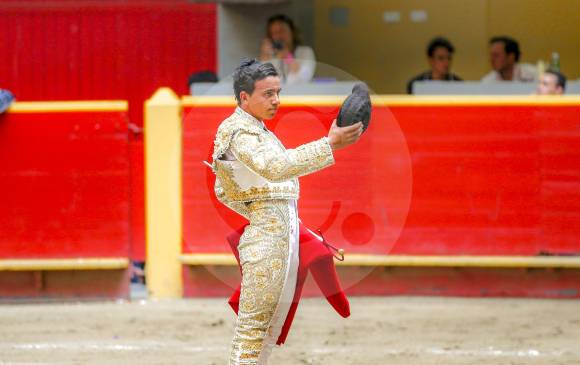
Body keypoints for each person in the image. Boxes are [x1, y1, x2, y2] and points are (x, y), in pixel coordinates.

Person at [211, 58, 362, 364]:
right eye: (267, 94)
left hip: (279, 240)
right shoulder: (239, 132)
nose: (276, 100)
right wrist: (329, 144)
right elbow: (277, 168)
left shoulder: (257, 131)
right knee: (252, 331)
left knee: (265, 331)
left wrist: (286, 222)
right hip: (267, 245)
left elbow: (223, 189)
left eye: (278, 92)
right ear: (244, 98)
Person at [259, 14, 315, 84]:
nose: (278, 36)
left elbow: (305, 77)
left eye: (282, 30)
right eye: (274, 33)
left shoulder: (305, 51)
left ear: (292, 32)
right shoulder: (272, 57)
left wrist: (288, 57)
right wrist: (264, 58)